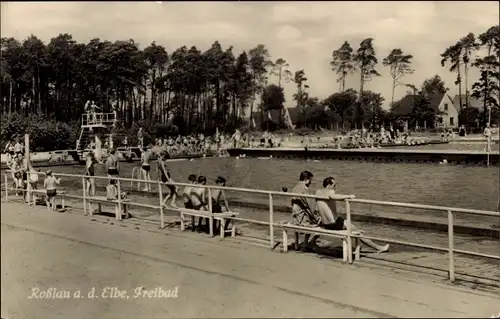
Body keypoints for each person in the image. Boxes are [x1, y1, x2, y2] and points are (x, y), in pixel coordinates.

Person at [315, 177, 389, 253]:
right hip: (334, 223)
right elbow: (332, 196)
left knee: (348, 228)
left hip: (326, 224)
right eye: (334, 185)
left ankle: (351, 247)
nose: (335, 187)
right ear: (329, 185)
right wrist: (348, 196)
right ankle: (378, 248)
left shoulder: (318, 192)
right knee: (359, 233)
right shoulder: (331, 191)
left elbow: (318, 207)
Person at [290, 171, 320, 250]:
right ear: (306, 179)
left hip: (295, 218)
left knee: (311, 217)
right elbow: (311, 207)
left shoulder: (295, 188)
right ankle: (307, 243)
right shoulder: (305, 189)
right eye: (310, 180)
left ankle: (299, 243)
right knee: (319, 223)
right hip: (302, 219)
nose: (311, 182)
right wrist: (318, 217)